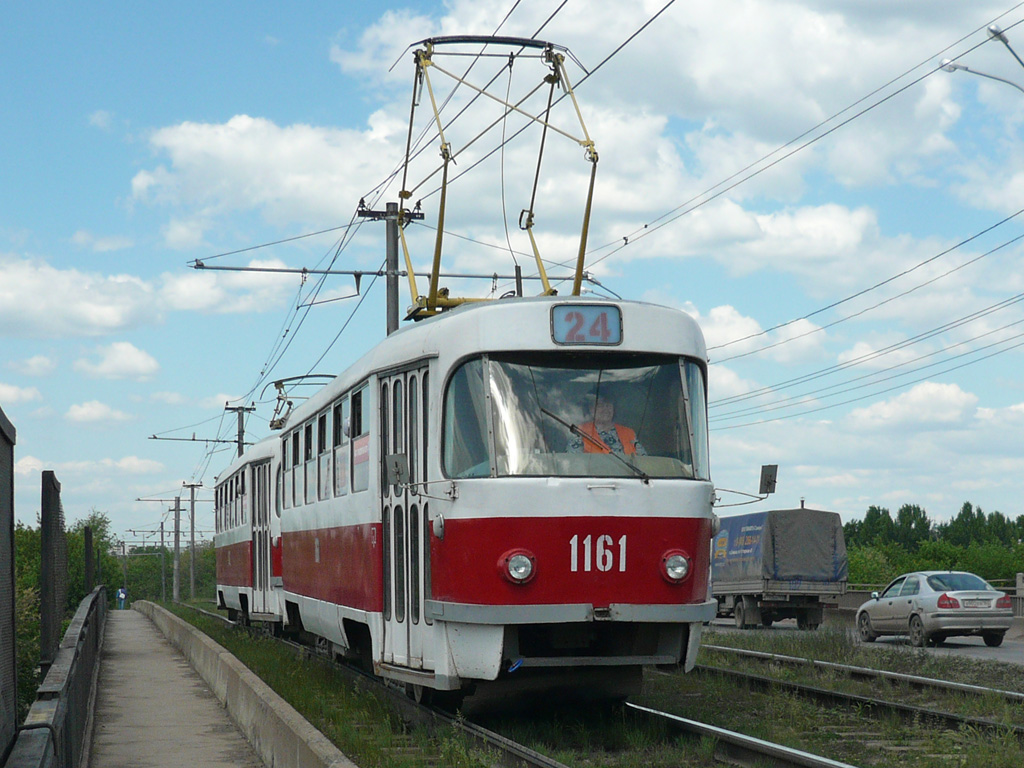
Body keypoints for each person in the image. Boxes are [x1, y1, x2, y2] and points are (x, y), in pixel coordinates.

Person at [567, 395, 646, 456]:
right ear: (590, 409)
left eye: (608, 405)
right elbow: (573, 463)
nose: (605, 409)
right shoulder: (580, 432)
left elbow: (644, 461)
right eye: (600, 405)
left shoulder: (629, 433)